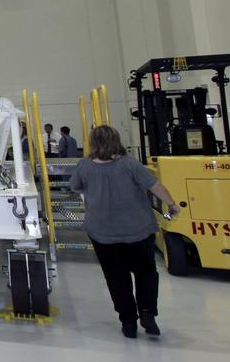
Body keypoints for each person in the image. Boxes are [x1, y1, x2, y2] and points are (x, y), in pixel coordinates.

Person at [70, 125, 179, 339]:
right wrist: (172, 205)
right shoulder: (130, 165)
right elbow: (156, 187)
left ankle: (128, 321)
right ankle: (147, 313)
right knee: (146, 273)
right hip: (138, 230)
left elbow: (75, 186)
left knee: (115, 277)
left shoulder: (84, 166)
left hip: (103, 233)